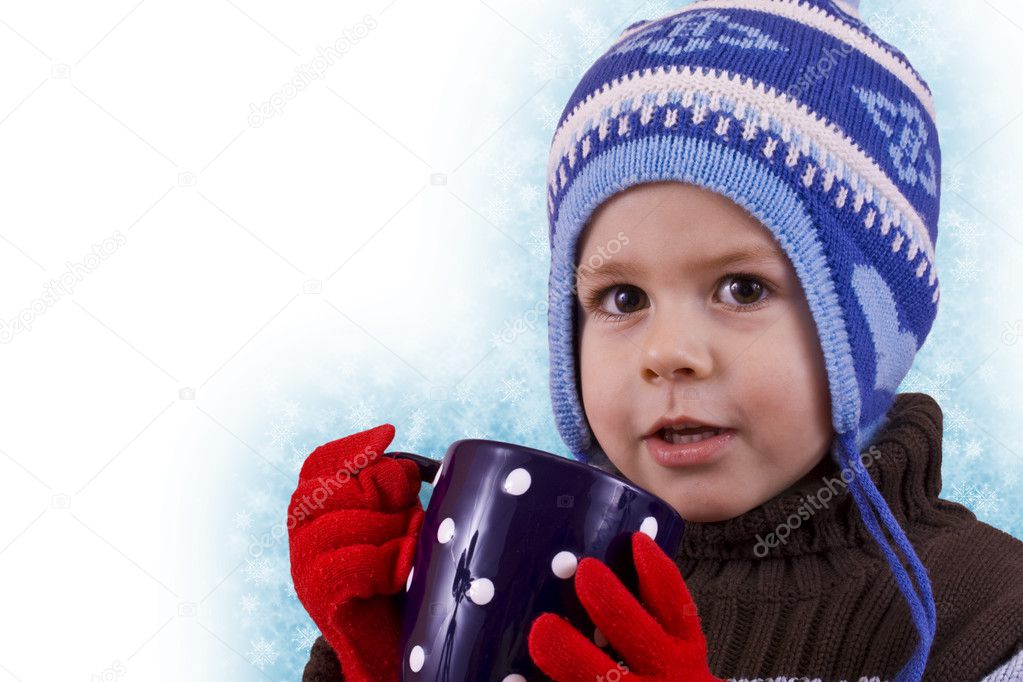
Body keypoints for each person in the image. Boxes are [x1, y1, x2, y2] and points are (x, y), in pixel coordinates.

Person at [291, 1, 1023, 680]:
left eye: (742, 288)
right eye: (622, 298)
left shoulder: (991, 613)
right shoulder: (532, 578)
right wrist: (377, 658)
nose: (666, 351)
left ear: (867, 333)